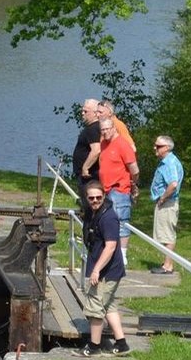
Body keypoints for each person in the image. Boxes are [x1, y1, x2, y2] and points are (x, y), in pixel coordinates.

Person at [78, 181, 129, 357]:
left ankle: (94, 345)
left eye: (98, 197)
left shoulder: (108, 217)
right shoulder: (93, 213)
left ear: (104, 196)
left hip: (107, 271)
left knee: (95, 306)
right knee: (108, 305)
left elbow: (111, 246)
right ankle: (121, 343)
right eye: (91, 198)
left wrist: (96, 270)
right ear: (86, 198)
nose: (95, 201)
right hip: (105, 268)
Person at [97, 119, 139, 265]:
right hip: (105, 190)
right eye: (102, 130)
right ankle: (109, 250)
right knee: (107, 221)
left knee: (121, 221)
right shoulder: (103, 143)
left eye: (108, 129)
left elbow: (134, 169)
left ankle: (122, 254)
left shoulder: (122, 144)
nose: (105, 132)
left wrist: (133, 184)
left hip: (119, 189)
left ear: (114, 128)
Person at [149, 135, 183, 274]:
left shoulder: (169, 163)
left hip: (168, 203)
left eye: (158, 146)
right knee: (165, 233)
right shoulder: (167, 161)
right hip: (167, 202)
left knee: (168, 234)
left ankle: (168, 266)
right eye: (155, 145)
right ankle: (167, 262)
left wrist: (162, 198)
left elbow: (173, 184)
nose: (155, 148)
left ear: (167, 148)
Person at [71, 99, 102, 183]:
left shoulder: (93, 129)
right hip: (86, 174)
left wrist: (85, 168)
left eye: (85, 111)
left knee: (87, 195)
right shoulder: (92, 128)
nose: (82, 113)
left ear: (95, 113)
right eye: (82, 111)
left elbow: (96, 150)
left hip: (89, 175)